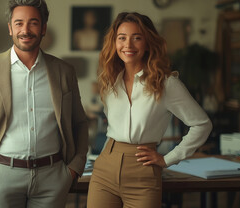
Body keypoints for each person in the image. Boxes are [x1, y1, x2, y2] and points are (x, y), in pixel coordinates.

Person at [0, 0, 88, 208]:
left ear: (44, 28)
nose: (25, 30)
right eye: (19, 23)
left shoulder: (64, 71)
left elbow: (79, 122)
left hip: (53, 177)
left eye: (33, 23)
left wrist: (74, 168)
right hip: (1, 175)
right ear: (10, 28)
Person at [87, 12, 212, 208]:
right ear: (114, 43)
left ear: (147, 43)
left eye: (136, 38)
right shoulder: (110, 81)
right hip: (105, 167)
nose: (128, 45)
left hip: (143, 170)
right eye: (122, 38)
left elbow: (202, 124)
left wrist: (168, 159)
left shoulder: (166, 84)